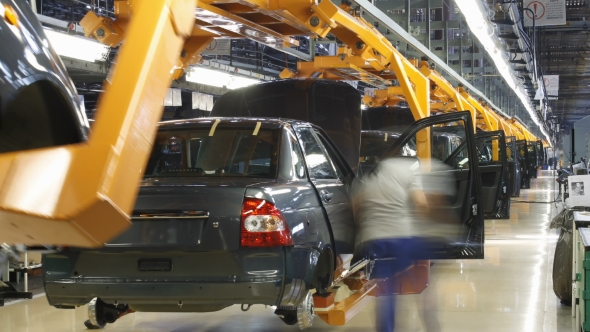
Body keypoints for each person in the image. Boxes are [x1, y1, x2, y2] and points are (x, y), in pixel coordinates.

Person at [352, 156, 458, 332]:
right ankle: (430, 317)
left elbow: (356, 205)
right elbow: (421, 204)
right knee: (425, 271)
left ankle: (386, 328)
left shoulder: (374, 175)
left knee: (386, 290)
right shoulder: (411, 170)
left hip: (373, 241)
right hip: (401, 239)